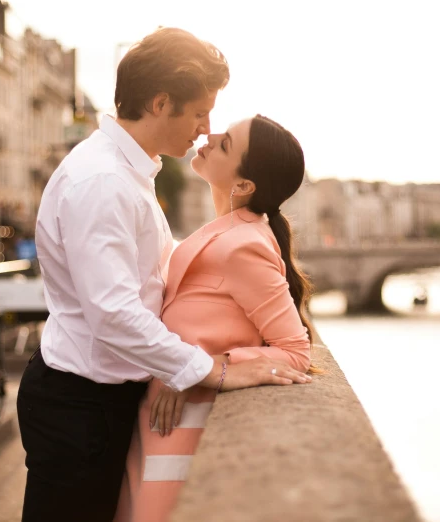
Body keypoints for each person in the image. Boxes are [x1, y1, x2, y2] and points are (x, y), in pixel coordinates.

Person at [17, 28, 311, 522]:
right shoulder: (104, 182)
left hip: (97, 400)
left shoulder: (126, 172)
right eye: (199, 112)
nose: (205, 128)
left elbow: (158, 275)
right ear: (160, 103)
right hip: (82, 405)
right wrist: (208, 369)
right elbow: (114, 315)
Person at [113, 115, 315, 522]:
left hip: (183, 432)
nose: (210, 135)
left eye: (225, 144)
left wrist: (208, 367)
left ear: (243, 186)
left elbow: (295, 352)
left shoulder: (243, 245)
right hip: (163, 421)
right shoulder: (229, 231)